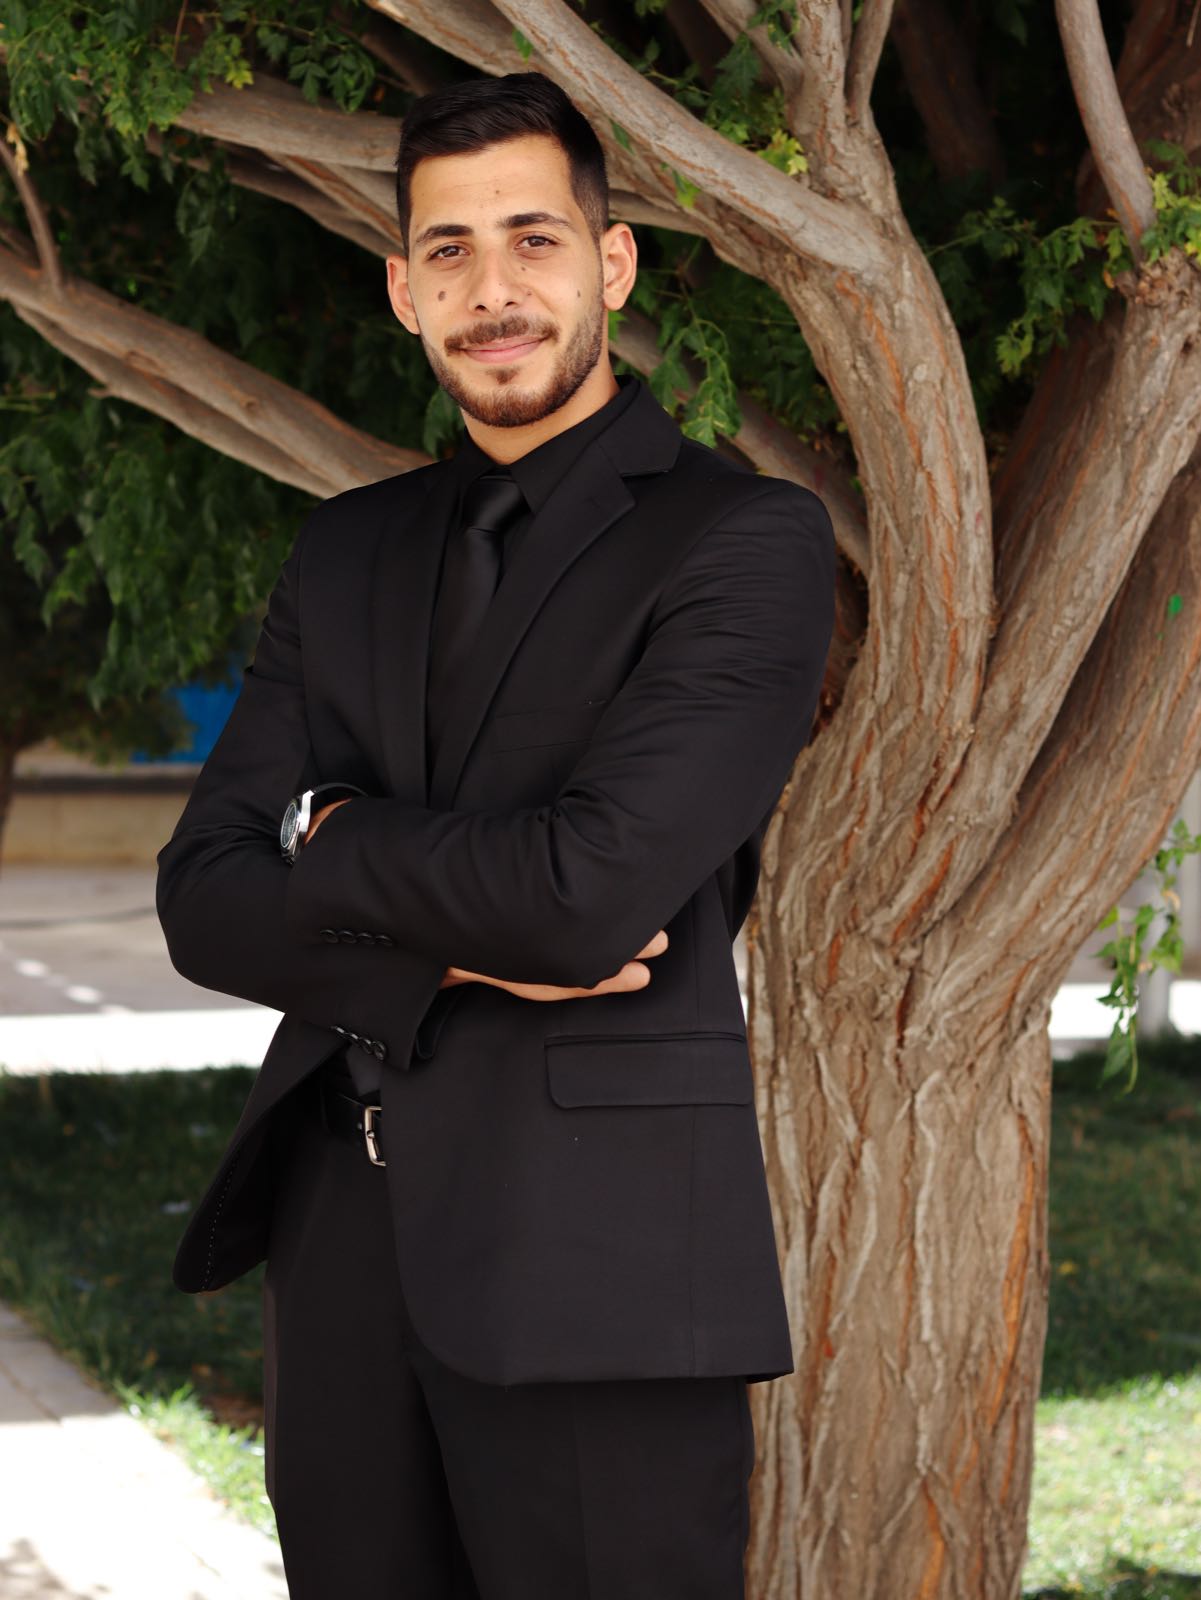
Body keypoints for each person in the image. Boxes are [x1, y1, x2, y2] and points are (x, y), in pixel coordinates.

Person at [157, 68, 836, 1600]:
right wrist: (448, 968)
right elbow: (204, 899)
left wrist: (325, 832)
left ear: (610, 266)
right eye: (448, 252)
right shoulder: (347, 551)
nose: (492, 288)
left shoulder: (741, 542)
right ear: (403, 291)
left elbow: (582, 898)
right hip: (339, 1253)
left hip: (598, 1270)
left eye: (532, 238)